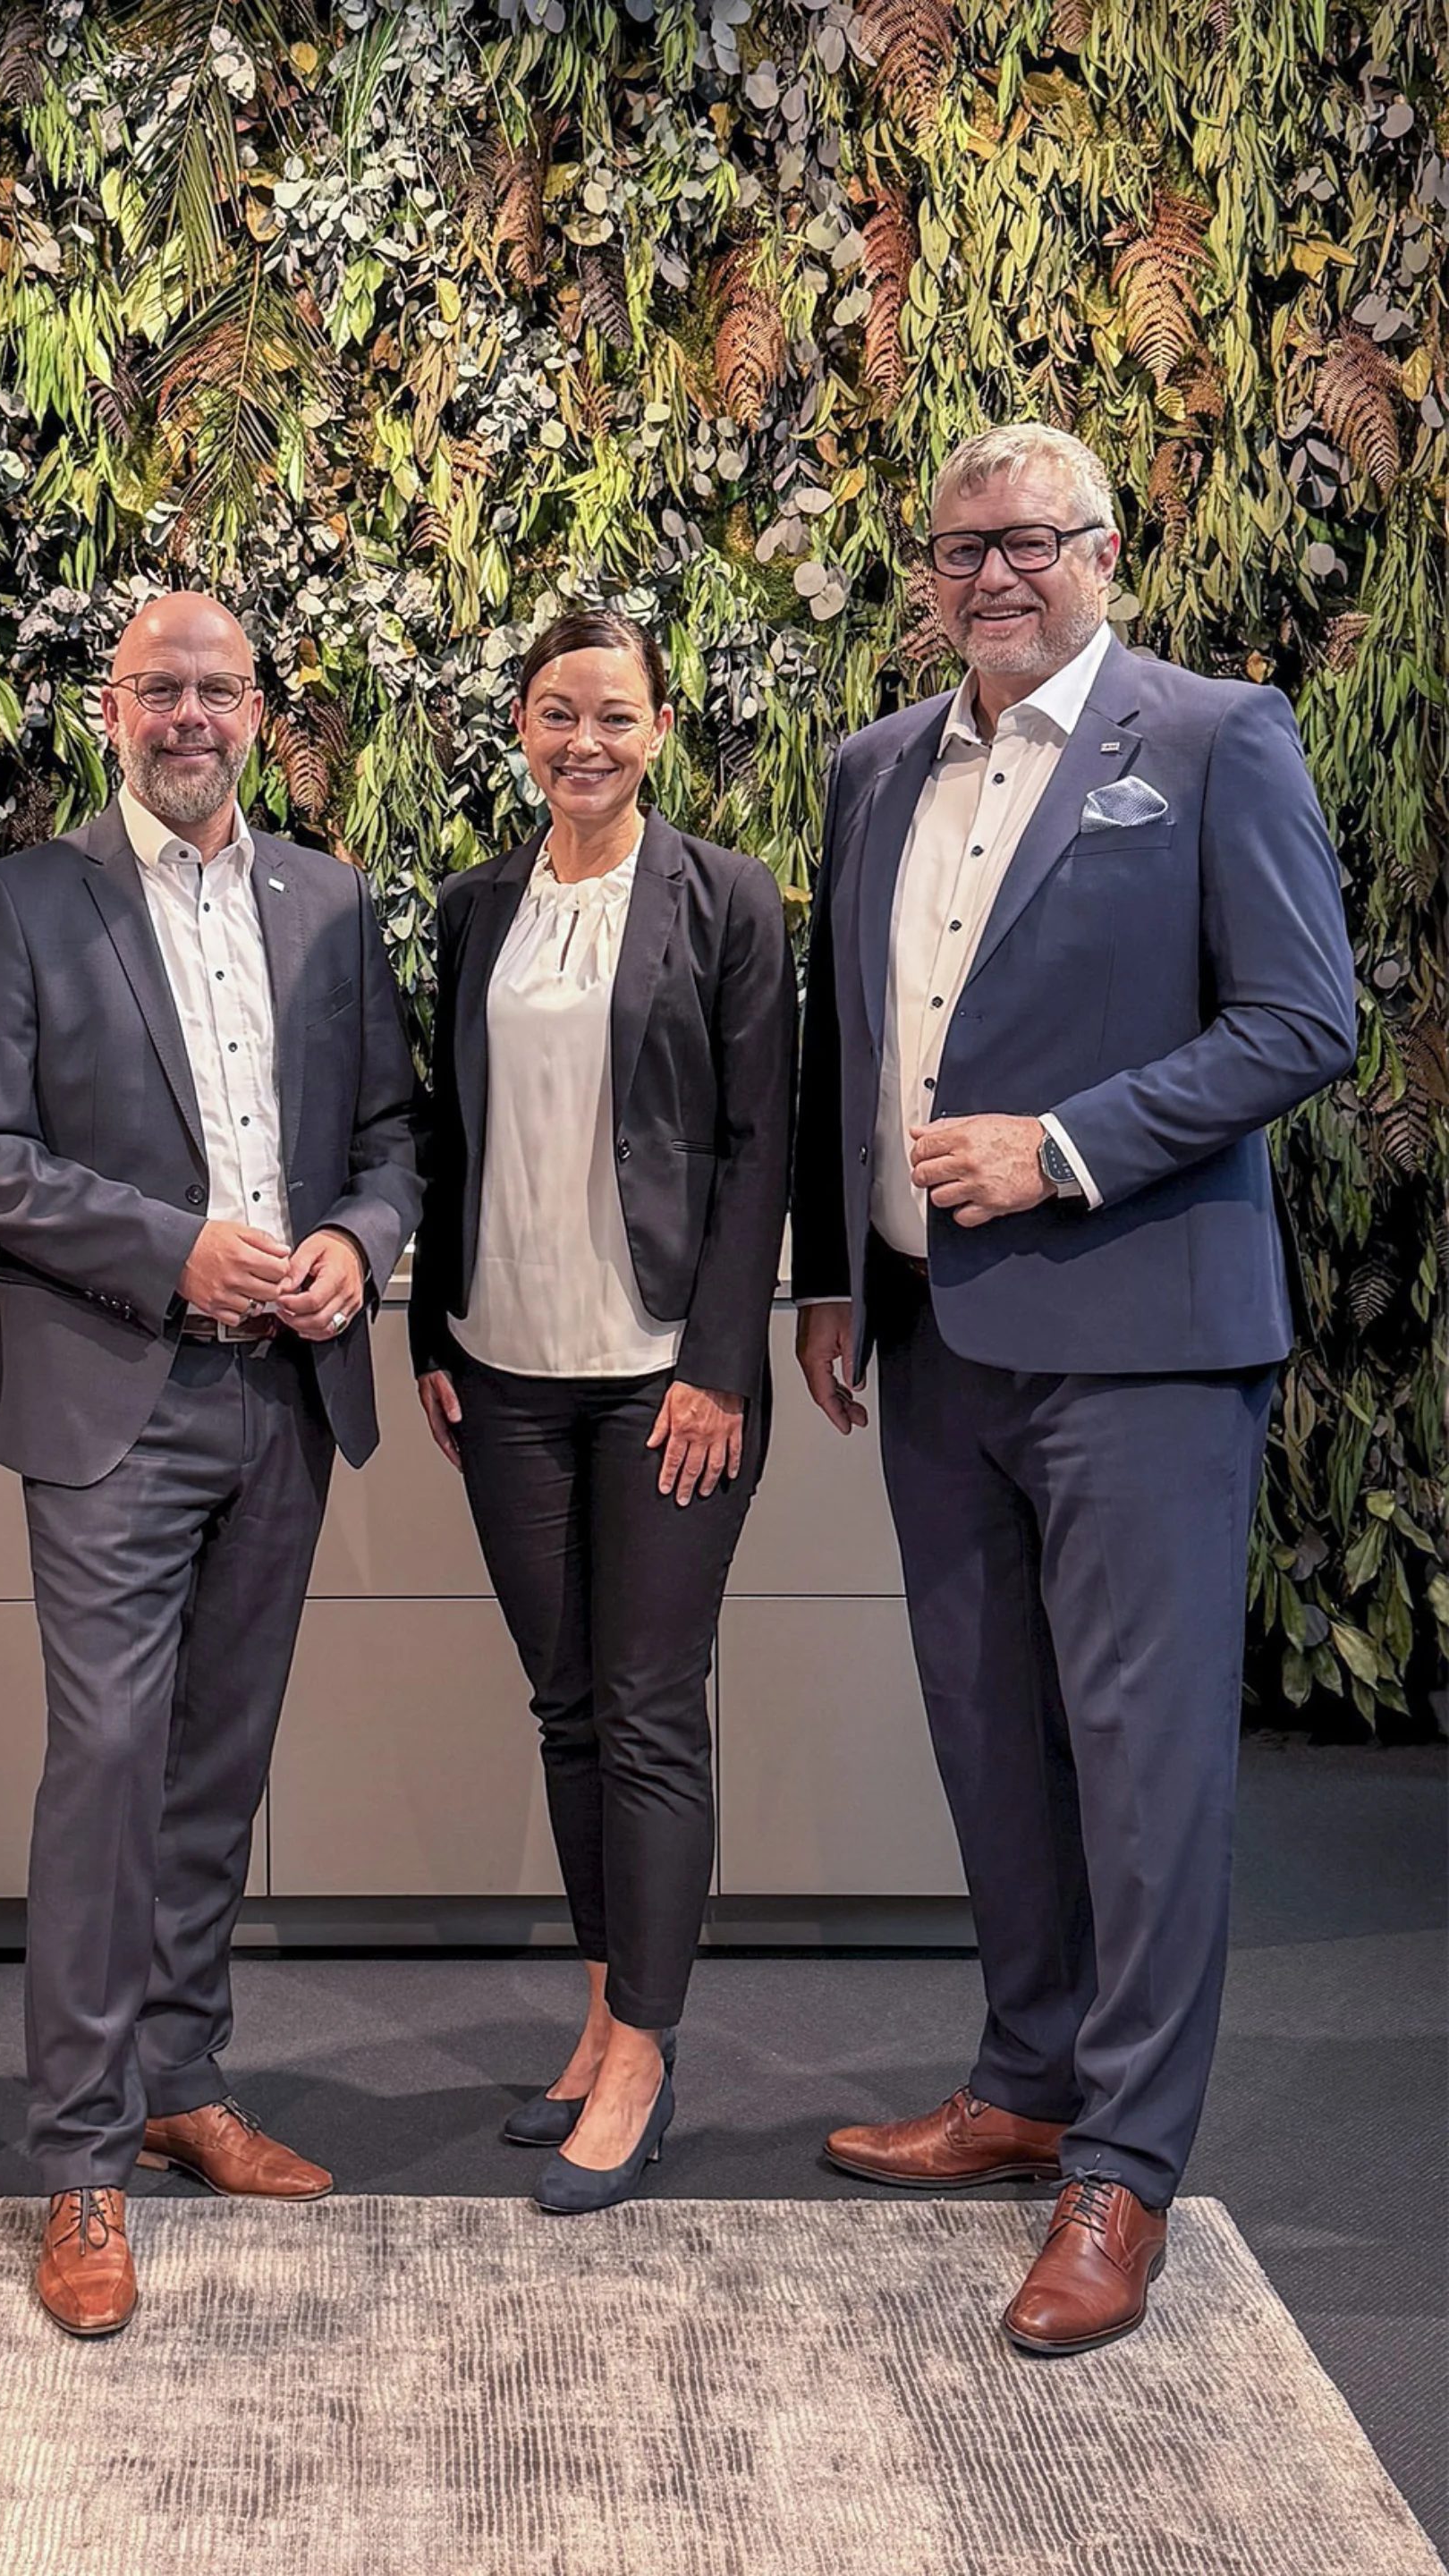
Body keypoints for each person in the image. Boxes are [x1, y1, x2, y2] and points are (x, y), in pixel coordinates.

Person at [791, 423, 1355, 2353]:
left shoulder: (1212, 740)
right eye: (962, 547)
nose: (995, 574)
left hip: (1144, 1343)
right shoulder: (874, 768)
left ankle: (1125, 2166)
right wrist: (835, 1275)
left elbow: (1304, 1018)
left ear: (1106, 553)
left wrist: (1065, 1146)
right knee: (988, 1736)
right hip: (934, 1342)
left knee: (1143, 1762)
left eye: (1033, 541)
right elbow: (849, 1043)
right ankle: (1026, 2082)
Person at [0, 591, 421, 2337]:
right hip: (113, 1401)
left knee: (217, 1759)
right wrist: (173, 1248)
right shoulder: (26, 901)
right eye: (160, 689)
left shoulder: (329, 901)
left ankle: (181, 2079)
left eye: (219, 689)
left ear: (259, 710)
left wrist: (358, 1242)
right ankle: (80, 2158)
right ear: (110, 707)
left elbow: (389, 1136)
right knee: (110, 1761)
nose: (190, 715)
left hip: (286, 1396)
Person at [409, 608, 796, 2215]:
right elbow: (447, 1129)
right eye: (558, 712)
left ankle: (644, 2049)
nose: (586, 741)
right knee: (566, 1706)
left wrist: (721, 1362)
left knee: (647, 1709)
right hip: (501, 1365)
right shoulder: (475, 906)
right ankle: (597, 2015)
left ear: (659, 729)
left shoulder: (728, 900)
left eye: (615, 715)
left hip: (660, 1375)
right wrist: (429, 1329)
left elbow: (762, 1143)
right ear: (521, 726)